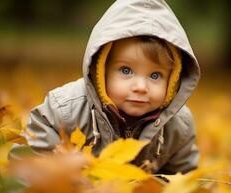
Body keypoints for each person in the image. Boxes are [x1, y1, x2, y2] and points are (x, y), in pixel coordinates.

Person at [25, 0, 200, 174]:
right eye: (126, 70)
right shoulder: (64, 110)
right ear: (102, 71)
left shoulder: (179, 126)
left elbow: (182, 176)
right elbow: (30, 163)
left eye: (155, 75)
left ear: (173, 81)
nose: (140, 87)